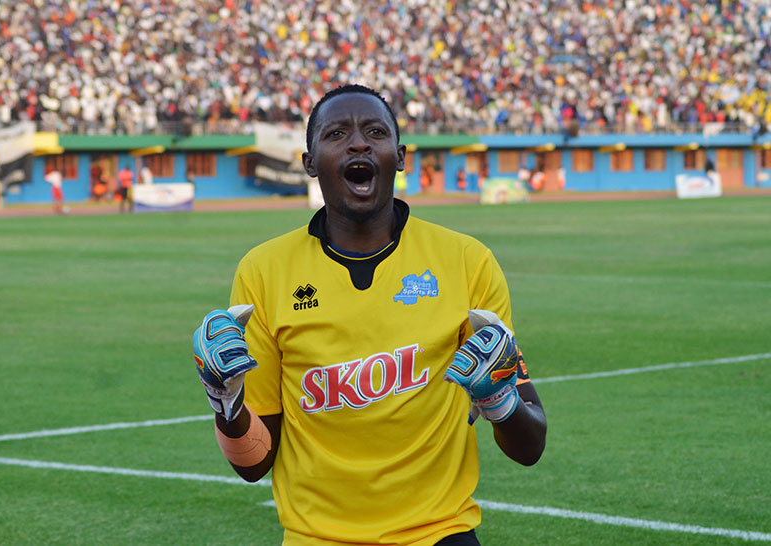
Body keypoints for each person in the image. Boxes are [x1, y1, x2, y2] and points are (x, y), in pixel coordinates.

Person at [191, 84, 547, 546]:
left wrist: (499, 398)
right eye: (337, 133)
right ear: (310, 163)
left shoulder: (467, 262)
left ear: (399, 157)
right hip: (315, 539)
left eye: (375, 132)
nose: (358, 143)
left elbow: (530, 446)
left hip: (440, 533)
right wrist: (226, 403)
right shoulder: (263, 271)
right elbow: (254, 463)